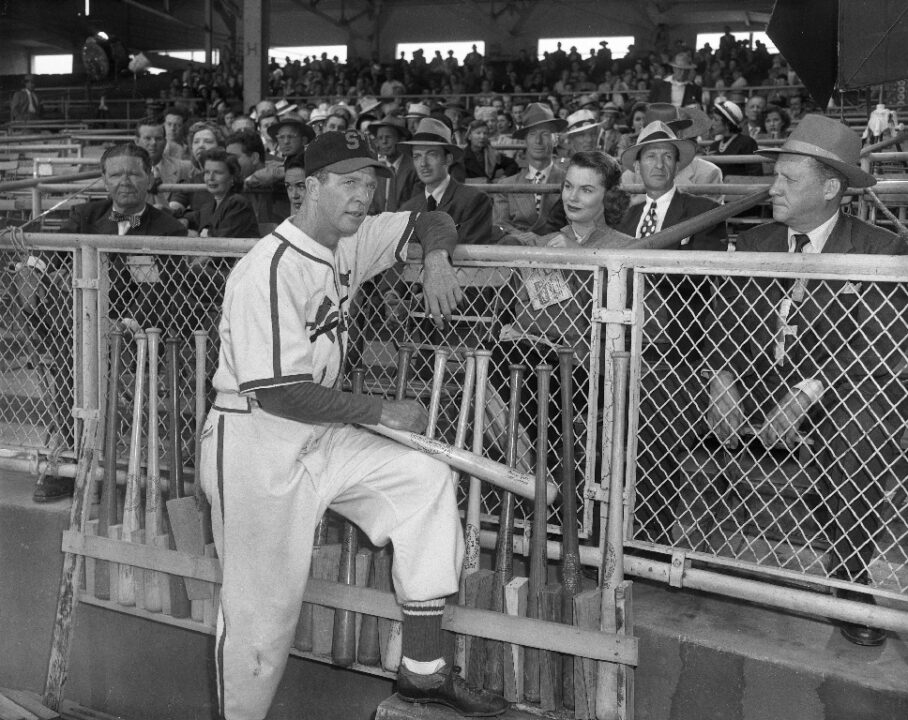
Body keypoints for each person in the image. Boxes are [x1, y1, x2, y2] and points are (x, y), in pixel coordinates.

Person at [199, 129, 509, 720]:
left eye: (369, 182)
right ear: (310, 188)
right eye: (347, 182)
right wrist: (378, 411)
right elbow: (278, 390)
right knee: (261, 623)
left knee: (421, 480)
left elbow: (429, 220)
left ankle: (423, 670)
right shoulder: (270, 267)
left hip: (318, 432)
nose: (363, 195)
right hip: (256, 442)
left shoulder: (349, 239)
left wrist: (437, 256)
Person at [705, 115, 908, 647]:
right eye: (777, 175)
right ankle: (648, 547)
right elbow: (726, 324)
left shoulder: (880, 250)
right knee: (655, 380)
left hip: (833, 390)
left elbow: (875, 346)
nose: (773, 187)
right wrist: (721, 378)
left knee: (868, 413)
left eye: (789, 179)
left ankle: (850, 581)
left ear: (831, 187)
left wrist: (805, 395)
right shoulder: (753, 243)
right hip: (758, 382)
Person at [22, 143, 187, 502]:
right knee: (70, 360)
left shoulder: (168, 228)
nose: (124, 181)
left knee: (85, 358)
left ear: (149, 177)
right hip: (82, 327)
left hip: (139, 330)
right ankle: (70, 461)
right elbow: (48, 255)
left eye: (133, 173)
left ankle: (101, 462)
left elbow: (166, 292)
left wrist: (127, 324)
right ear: (104, 180)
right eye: (116, 174)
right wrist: (32, 273)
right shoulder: (85, 215)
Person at [399, 118, 494, 245]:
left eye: (432, 154)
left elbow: (471, 256)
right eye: (417, 156)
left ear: (448, 159)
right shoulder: (407, 209)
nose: (423, 164)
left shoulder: (474, 200)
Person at [620, 103, 723, 202]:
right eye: (652, 133)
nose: (661, 138)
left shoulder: (707, 173)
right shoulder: (630, 177)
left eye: (667, 130)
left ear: (680, 133)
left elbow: (710, 218)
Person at [492, 103, 567, 234]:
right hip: (518, 251)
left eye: (545, 134)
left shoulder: (569, 181)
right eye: (532, 134)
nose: (538, 141)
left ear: (555, 140)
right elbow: (500, 224)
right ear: (525, 140)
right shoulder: (505, 186)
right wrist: (526, 240)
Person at [225, 129, 287, 223]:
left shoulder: (282, 173)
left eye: (234, 157)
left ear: (254, 158)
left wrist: (248, 181)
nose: (228, 162)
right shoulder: (227, 180)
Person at [134, 117, 194, 211]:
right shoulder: (123, 170)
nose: (153, 143)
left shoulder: (185, 167)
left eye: (158, 138)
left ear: (165, 142)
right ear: (136, 141)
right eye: (147, 138)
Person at [368, 115, 419, 213]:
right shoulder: (376, 169)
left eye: (388, 137)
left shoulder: (414, 168)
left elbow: (416, 205)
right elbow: (372, 206)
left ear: (401, 140)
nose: (384, 142)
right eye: (380, 138)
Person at [707, 99, 760, 177]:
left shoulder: (747, 143)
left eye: (716, 120)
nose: (712, 123)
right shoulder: (714, 146)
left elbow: (755, 174)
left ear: (727, 123)